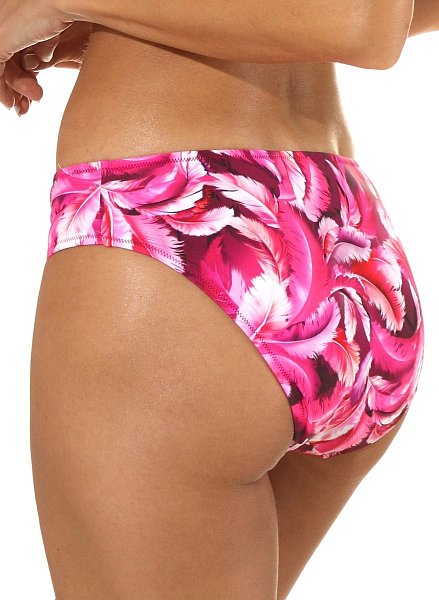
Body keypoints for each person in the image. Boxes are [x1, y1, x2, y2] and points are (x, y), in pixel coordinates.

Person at [0, 2, 435, 598]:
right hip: (345, 236)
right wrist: (133, 21)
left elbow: (363, 23)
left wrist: (58, 1)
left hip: (171, 229)